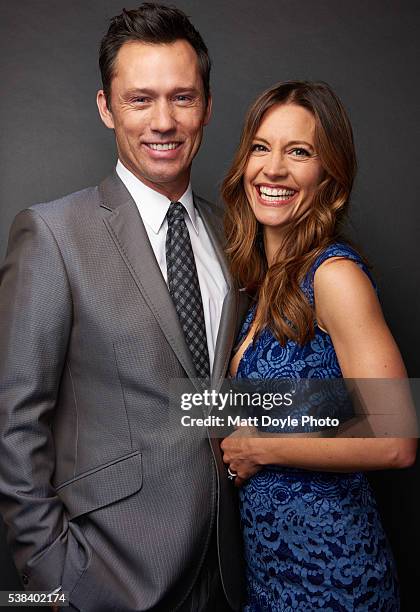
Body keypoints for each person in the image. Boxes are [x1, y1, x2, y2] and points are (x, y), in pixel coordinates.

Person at [0, 4, 245, 611]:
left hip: (233, 575)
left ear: (207, 107)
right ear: (107, 107)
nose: (163, 121)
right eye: (140, 100)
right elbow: (13, 422)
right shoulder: (52, 234)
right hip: (106, 579)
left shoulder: (237, 238)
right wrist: (57, 584)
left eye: (182, 98)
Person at [220, 81, 417, 611]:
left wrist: (260, 446)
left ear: (329, 176)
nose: (274, 169)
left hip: (333, 575)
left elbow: (396, 439)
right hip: (271, 576)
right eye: (262, 147)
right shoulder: (260, 283)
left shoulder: (333, 276)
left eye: (299, 152)